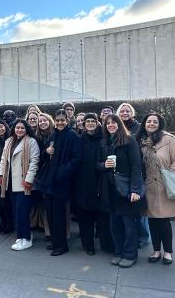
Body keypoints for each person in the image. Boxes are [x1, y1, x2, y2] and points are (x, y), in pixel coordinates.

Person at [98, 114, 145, 268]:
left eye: (114, 122)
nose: (111, 125)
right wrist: (104, 165)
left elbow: (137, 166)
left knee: (129, 225)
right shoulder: (104, 142)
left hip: (125, 189)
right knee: (114, 225)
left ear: (119, 124)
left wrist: (135, 189)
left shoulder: (129, 140)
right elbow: (96, 165)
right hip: (110, 190)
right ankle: (118, 253)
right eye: (108, 123)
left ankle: (130, 255)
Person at [138, 112, 175, 265]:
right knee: (152, 221)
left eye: (154, 122)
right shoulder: (142, 142)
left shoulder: (169, 139)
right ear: (144, 124)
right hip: (149, 186)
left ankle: (168, 252)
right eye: (148, 121)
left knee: (164, 221)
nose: (151, 124)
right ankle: (156, 250)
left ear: (160, 124)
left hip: (165, 186)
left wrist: (169, 175)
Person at [37, 110, 82, 256]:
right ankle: (55, 242)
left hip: (61, 182)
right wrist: (46, 152)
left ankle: (62, 245)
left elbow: (76, 160)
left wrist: (61, 172)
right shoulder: (54, 134)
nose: (60, 123)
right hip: (50, 181)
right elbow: (45, 155)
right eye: (57, 120)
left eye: (62, 120)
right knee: (50, 213)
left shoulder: (73, 135)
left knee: (59, 215)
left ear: (67, 121)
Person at [0, 119, 40, 251]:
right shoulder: (9, 141)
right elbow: (3, 160)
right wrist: (1, 175)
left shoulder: (31, 142)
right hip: (10, 182)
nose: (20, 130)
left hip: (24, 183)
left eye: (22, 128)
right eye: (17, 128)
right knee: (17, 211)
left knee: (22, 212)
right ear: (14, 129)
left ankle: (26, 238)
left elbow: (35, 162)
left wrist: (28, 180)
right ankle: (21, 236)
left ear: (26, 129)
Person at [74, 113, 113, 255]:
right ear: (83, 124)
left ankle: (106, 244)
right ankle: (88, 244)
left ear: (97, 123)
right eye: (87, 121)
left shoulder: (103, 139)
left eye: (93, 121)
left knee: (102, 215)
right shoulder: (79, 139)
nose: (90, 123)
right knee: (84, 216)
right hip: (82, 183)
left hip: (100, 181)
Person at [117, 102, 149, 247]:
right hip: (123, 171)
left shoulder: (138, 127)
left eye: (127, 111)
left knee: (138, 207)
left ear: (132, 113)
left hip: (137, 169)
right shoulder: (116, 127)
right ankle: (132, 236)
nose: (124, 113)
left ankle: (142, 236)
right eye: (122, 111)